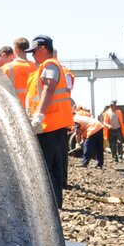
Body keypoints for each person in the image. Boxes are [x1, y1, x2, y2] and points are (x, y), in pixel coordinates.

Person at [24, 35, 74, 208]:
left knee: (46, 165)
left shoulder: (49, 65)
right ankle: (55, 202)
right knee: (54, 165)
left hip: (49, 125)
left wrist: (39, 115)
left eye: (34, 52)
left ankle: (49, 204)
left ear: (43, 48)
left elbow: (49, 87)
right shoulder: (46, 67)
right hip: (55, 123)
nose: (32, 56)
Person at [2, 37, 38, 109]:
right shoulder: (36, 67)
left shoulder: (6, 68)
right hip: (33, 108)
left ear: (15, 49)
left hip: (15, 108)